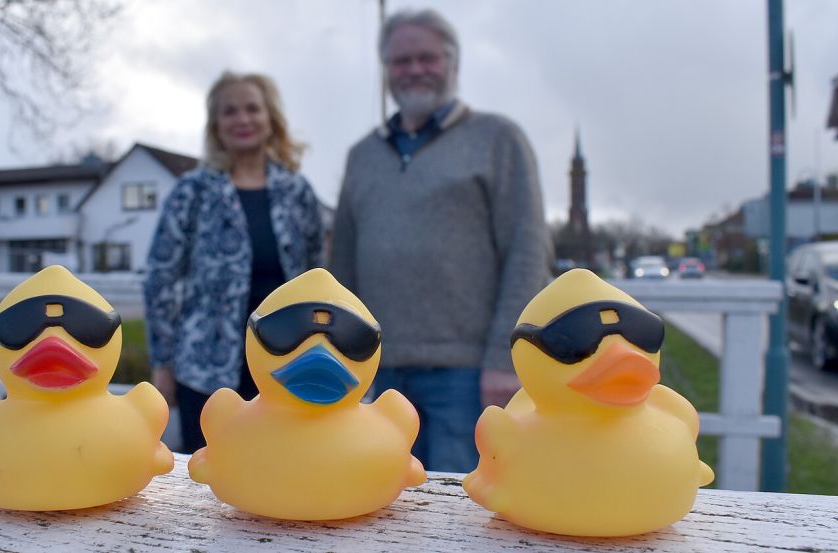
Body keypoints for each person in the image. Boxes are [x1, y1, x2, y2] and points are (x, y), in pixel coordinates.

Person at [330, 9, 552, 472]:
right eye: (400, 60)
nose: (414, 70)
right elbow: (343, 268)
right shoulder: (362, 155)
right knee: (380, 502)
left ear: (453, 63)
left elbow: (527, 253)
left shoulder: (497, 139)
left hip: (468, 373)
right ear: (386, 70)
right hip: (378, 368)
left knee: (459, 512)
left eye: (426, 58)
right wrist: (342, 356)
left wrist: (505, 359)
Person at [144, 71, 323, 453]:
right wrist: (162, 364)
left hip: (285, 366)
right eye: (229, 111)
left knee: (279, 471)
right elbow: (160, 277)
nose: (242, 119)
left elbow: (316, 277)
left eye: (252, 109)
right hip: (205, 369)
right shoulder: (192, 191)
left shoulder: (296, 191)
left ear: (270, 117)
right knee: (209, 480)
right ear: (216, 125)